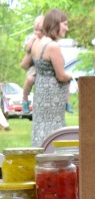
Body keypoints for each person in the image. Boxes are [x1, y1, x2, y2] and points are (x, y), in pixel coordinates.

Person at [21, 9, 75, 147]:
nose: (67, 28)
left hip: (40, 94)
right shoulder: (52, 46)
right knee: (54, 132)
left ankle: (40, 161)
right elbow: (61, 75)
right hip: (53, 97)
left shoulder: (37, 43)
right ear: (56, 24)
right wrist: (71, 77)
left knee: (41, 128)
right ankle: (53, 166)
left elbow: (26, 64)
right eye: (65, 24)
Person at [21, 15, 44, 114]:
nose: (38, 32)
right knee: (30, 79)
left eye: (41, 30)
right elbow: (27, 49)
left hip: (42, 67)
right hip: (33, 65)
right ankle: (25, 100)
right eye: (36, 30)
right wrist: (33, 40)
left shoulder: (47, 39)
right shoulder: (32, 38)